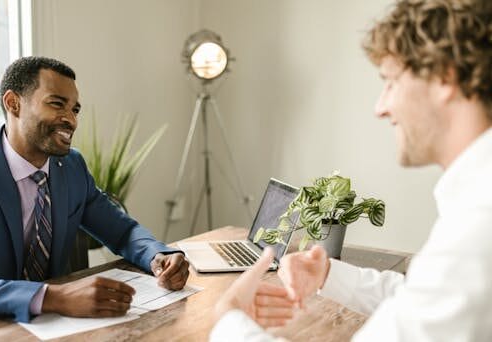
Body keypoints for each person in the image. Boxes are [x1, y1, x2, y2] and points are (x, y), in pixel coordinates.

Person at [211, 0, 492, 340]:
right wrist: (328, 275)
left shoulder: (477, 227)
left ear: (445, 76)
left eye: (390, 82)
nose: (380, 107)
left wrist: (228, 320)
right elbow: (424, 299)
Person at [0, 56, 189, 325]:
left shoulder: (71, 166)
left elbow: (121, 231)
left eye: (75, 109)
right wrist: (51, 297)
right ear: (13, 103)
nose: (71, 119)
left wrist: (157, 256)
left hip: (46, 327)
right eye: (57, 104)